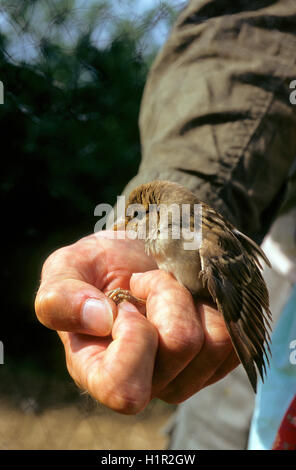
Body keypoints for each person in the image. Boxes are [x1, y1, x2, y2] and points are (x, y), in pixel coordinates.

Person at [34, 0, 296, 448]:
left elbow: (242, 304)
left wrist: (252, 342)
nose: (133, 226)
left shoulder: (206, 241)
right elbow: (251, 30)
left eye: (139, 218)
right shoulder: (164, 225)